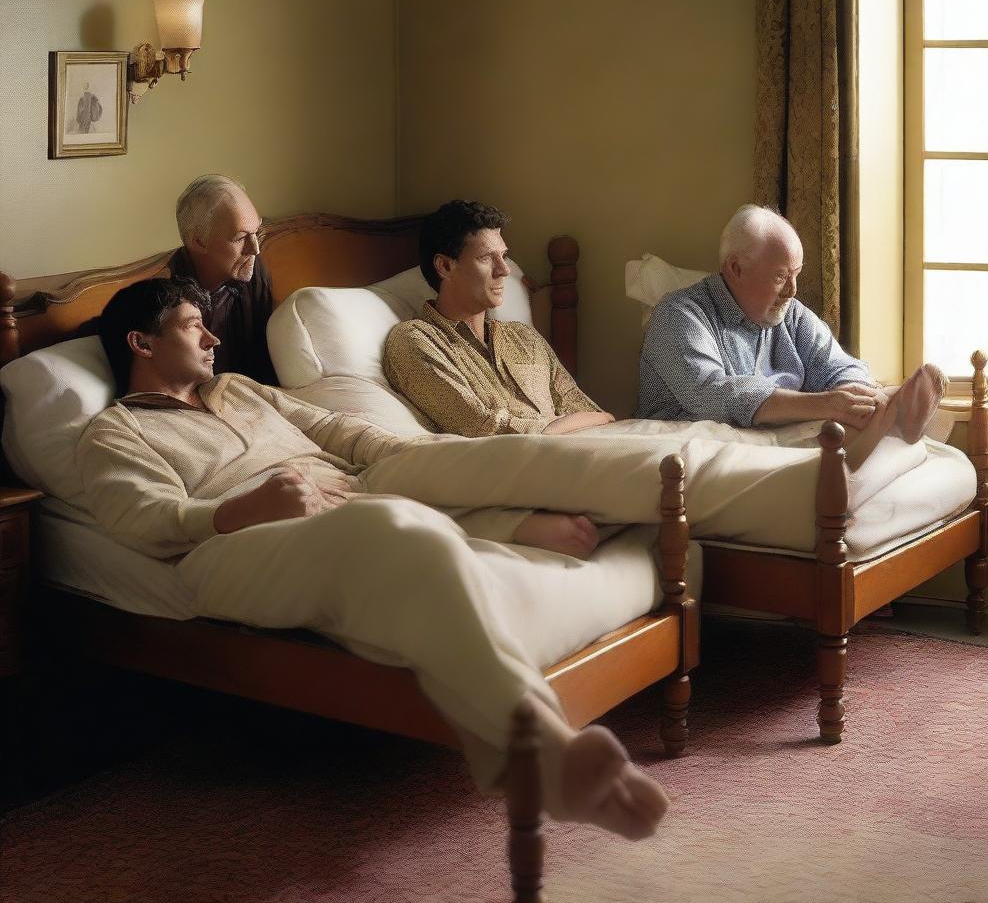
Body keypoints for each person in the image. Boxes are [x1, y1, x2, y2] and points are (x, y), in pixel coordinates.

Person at [76, 277, 672, 840]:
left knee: (410, 514)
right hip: (231, 545)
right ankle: (541, 747)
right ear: (142, 342)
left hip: (348, 499)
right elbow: (143, 520)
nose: (213, 338)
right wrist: (238, 511)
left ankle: (534, 526)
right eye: (192, 326)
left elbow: (337, 429)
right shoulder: (115, 433)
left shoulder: (239, 389)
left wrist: (434, 459)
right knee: (387, 522)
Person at [636, 204, 946, 471]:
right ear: (736, 268)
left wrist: (853, 392)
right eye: (781, 276)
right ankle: (887, 421)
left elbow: (838, 365)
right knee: (832, 423)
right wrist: (827, 404)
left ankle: (887, 414)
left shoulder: (791, 314)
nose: (792, 290)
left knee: (852, 401)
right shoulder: (678, 315)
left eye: (796, 274)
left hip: (777, 435)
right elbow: (714, 394)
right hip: (700, 441)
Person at [383, 199, 615, 437]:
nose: (504, 270)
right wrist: (552, 428)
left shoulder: (525, 337)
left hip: (584, 453)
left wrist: (572, 424)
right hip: (515, 465)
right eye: (486, 257)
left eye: (504, 256)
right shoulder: (414, 341)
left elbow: (593, 414)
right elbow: (483, 428)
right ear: (444, 266)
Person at [168, 174, 277, 384]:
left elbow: (265, 360)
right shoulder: (167, 296)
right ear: (199, 242)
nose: (255, 248)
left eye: (257, 231)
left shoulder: (254, 270)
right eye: (240, 237)